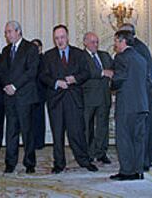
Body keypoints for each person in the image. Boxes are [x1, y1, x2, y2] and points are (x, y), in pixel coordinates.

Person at [40, 25, 97, 174]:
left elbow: (87, 72)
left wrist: (75, 79)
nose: (60, 41)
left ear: (68, 37)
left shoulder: (79, 54)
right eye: (57, 38)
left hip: (74, 100)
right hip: (56, 101)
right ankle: (59, 164)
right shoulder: (48, 55)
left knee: (77, 133)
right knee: (57, 134)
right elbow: (43, 76)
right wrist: (56, 82)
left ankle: (84, 161)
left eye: (62, 37)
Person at [119, 23, 152, 170]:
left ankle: (143, 162)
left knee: (142, 131)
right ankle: (147, 160)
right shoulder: (140, 46)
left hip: (146, 95)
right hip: (147, 94)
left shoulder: (134, 49)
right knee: (145, 130)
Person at [0, 21, 39, 174]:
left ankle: (29, 163)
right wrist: (6, 85)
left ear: (18, 31)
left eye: (9, 32)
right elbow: (1, 71)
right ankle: (10, 162)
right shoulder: (6, 50)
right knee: (11, 131)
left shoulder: (30, 48)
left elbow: (32, 71)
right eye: (6, 32)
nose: (7, 35)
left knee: (27, 131)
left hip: (25, 96)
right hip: (9, 97)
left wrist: (14, 86)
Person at [110, 30, 148, 181]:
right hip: (142, 105)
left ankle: (127, 171)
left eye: (116, 41)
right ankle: (138, 170)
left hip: (127, 106)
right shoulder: (141, 59)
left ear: (122, 41)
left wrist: (111, 82)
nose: (115, 45)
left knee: (124, 138)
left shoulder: (121, 57)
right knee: (138, 139)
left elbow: (118, 79)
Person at [82, 32, 113, 164]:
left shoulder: (105, 55)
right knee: (87, 127)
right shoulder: (80, 56)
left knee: (103, 126)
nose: (95, 44)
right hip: (88, 97)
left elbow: (113, 70)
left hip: (104, 97)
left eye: (97, 42)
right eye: (92, 42)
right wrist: (102, 73)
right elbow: (84, 73)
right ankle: (88, 153)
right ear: (85, 42)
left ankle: (101, 152)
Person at [31, 39, 47, 150]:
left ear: (40, 48)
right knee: (30, 119)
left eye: (36, 47)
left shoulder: (44, 59)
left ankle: (39, 143)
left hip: (41, 93)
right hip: (29, 94)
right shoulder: (29, 59)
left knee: (39, 119)